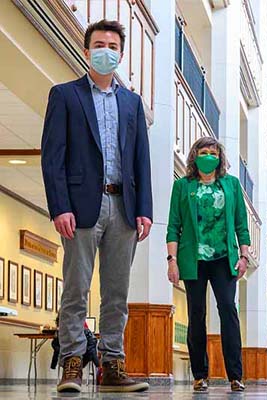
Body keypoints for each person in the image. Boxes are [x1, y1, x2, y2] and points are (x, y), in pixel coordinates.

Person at [41, 19, 152, 393]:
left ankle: (112, 365)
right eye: (100, 45)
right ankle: (72, 362)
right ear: (87, 51)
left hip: (123, 207)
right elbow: (52, 156)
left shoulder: (132, 103)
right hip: (81, 207)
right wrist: (59, 206)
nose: (107, 51)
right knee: (75, 288)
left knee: (117, 293)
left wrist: (145, 209)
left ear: (120, 54)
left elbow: (141, 161)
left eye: (113, 46)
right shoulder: (65, 95)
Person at [166, 137, 251, 393]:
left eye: (213, 153)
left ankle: (235, 376)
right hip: (193, 260)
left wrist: (244, 256)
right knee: (196, 314)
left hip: (224, 259)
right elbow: (173, 226)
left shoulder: (232, 185)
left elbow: (241, 225)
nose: (208, 156)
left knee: (228, 312)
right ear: (195, 156)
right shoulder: (183, 186)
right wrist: (172, 261)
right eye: (203, 152)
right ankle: (200, 375)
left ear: (219, 157)